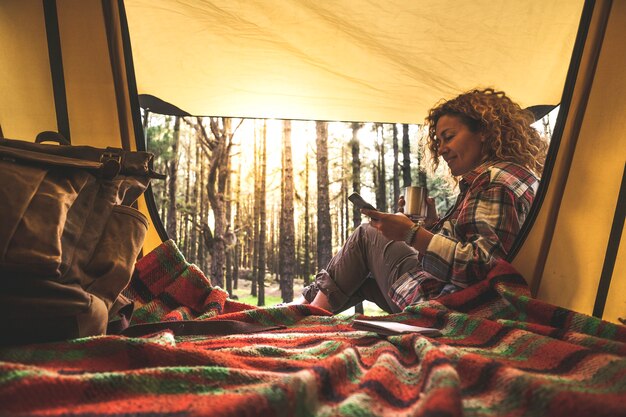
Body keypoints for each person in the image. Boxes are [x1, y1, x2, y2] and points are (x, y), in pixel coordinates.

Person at [293, 88, 549, 314]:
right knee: (359, 280)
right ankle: (306, 310)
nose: (441, 149)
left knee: (368, 233)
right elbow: (480, 245)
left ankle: (304, 314)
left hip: (456, 306)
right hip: (462, 299)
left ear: (483, 131)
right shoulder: (515, 175)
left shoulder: (493, 180)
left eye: (448, 137)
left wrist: (414, 234)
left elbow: (480, 266)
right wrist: (430, 224)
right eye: (438, 142)